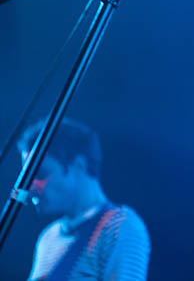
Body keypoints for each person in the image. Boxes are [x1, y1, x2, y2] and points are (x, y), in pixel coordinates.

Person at [17, 119, 150, 281]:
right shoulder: (48, 237)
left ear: (79, 166)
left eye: (40, 174)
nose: (30, 186)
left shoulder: (119, 224)